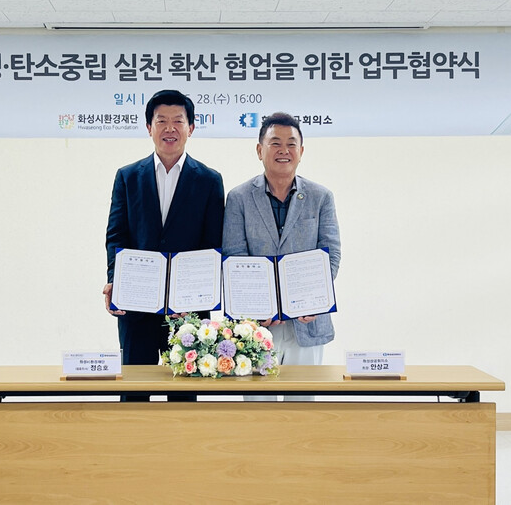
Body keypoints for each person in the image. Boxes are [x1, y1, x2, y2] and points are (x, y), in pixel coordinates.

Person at [104, 89, 225, 375]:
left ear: (191, 128)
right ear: (149, 127)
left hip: (188, 312)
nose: (170, 128)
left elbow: (212, 245)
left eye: (178, 121)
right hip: (136, 307)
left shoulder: (209, 180)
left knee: (183, 393)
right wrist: (115, 281)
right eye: (161, 121)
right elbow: (116, 236)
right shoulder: (128, 177)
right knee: (134, 389)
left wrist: (195, 296)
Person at [222, 112, 341, 399]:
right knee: (258, 409)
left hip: (307, 323)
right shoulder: (239, 198)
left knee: (302, 407)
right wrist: (256, 307)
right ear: (259, 150)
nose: (283, 150)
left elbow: (331, 254)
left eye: (291, 144)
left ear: (301, 151)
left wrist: (314, 300)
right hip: (256, 326)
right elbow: (234, 256)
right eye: (275, 143)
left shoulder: (320, 196)